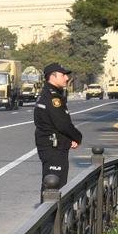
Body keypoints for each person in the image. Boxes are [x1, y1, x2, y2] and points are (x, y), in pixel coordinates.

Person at [34, 61, 82, 199]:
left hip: (54, 145)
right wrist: (77, 137)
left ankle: (52, 217)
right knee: (54, 184)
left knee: (54, 183)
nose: (67, 78)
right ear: (52, 77)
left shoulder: (49, 94)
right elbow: (62, 124)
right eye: (63, 75)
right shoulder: (53, 98)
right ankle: (50, 219)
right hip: (53, 147)